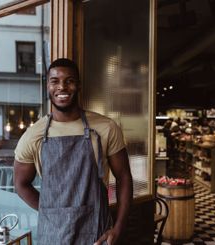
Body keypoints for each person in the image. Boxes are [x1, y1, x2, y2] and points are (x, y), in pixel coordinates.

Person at [14, 58, 133, 245]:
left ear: (78, 86)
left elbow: (124, 177)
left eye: (69, 81)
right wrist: (53, 212)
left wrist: (118, 228)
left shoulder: (106, 128)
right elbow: (21, 184)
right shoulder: (33, 135)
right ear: (48, 87)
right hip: (53, 236)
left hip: (97, 235)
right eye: (55, 81)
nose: (62, 87)